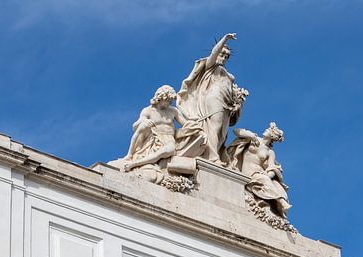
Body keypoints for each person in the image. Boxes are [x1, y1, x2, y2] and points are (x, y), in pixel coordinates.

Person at [177, 33, 247, 162]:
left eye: (226, 56)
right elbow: (214, 53)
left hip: (227, 103)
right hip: (213, 98)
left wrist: (238, 102)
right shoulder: (211, 66)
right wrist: (225, 39)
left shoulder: (229, 76)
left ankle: (213, 153)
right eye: (222, 54)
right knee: (215, 126)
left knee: (222, 132)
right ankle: (213, 157)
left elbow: (232, 93)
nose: (224, 57)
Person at [224, 122, 291, 219]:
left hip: (258, 172)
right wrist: (250, 136)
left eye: (268, 130)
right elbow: (236, 131)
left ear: (272, 135)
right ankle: (281, 201)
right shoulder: (253, 138)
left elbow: (272, 168)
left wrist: (269, 174)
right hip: (246, 171)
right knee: (265, 180)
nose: (266, 130)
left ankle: (281, 202)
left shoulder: (270, 152)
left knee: (269, 181)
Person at [122, 85, 195, 172]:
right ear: (160, 98)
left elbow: (185, 124)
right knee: (143, 126)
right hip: (154, 137)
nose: (169, 103)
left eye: (170, 101)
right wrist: (144, 120)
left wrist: (195, 124)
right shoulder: (148, 110)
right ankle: (129, 155)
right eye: (167, 100)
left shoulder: (173, 111)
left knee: (168, 150)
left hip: (169, 139)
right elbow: (135, 126)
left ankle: (134, 164)